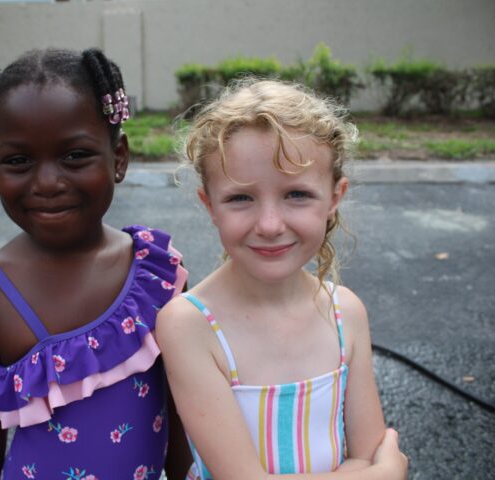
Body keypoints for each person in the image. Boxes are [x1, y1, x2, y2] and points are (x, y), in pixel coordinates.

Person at [0, 48, 190, 480]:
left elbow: (185, 415)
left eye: (75, 156)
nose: (47, 183)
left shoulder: (158, 278)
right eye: (18, 161)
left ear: (119, 158)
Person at [157, 79, 408, 479]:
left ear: (334, 197)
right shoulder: (189, 325)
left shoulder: (345, 312)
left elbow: (369, 451)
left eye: (297, 195)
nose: (270, 225)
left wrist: (371, 468)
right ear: (210, 205)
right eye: (241, 198)